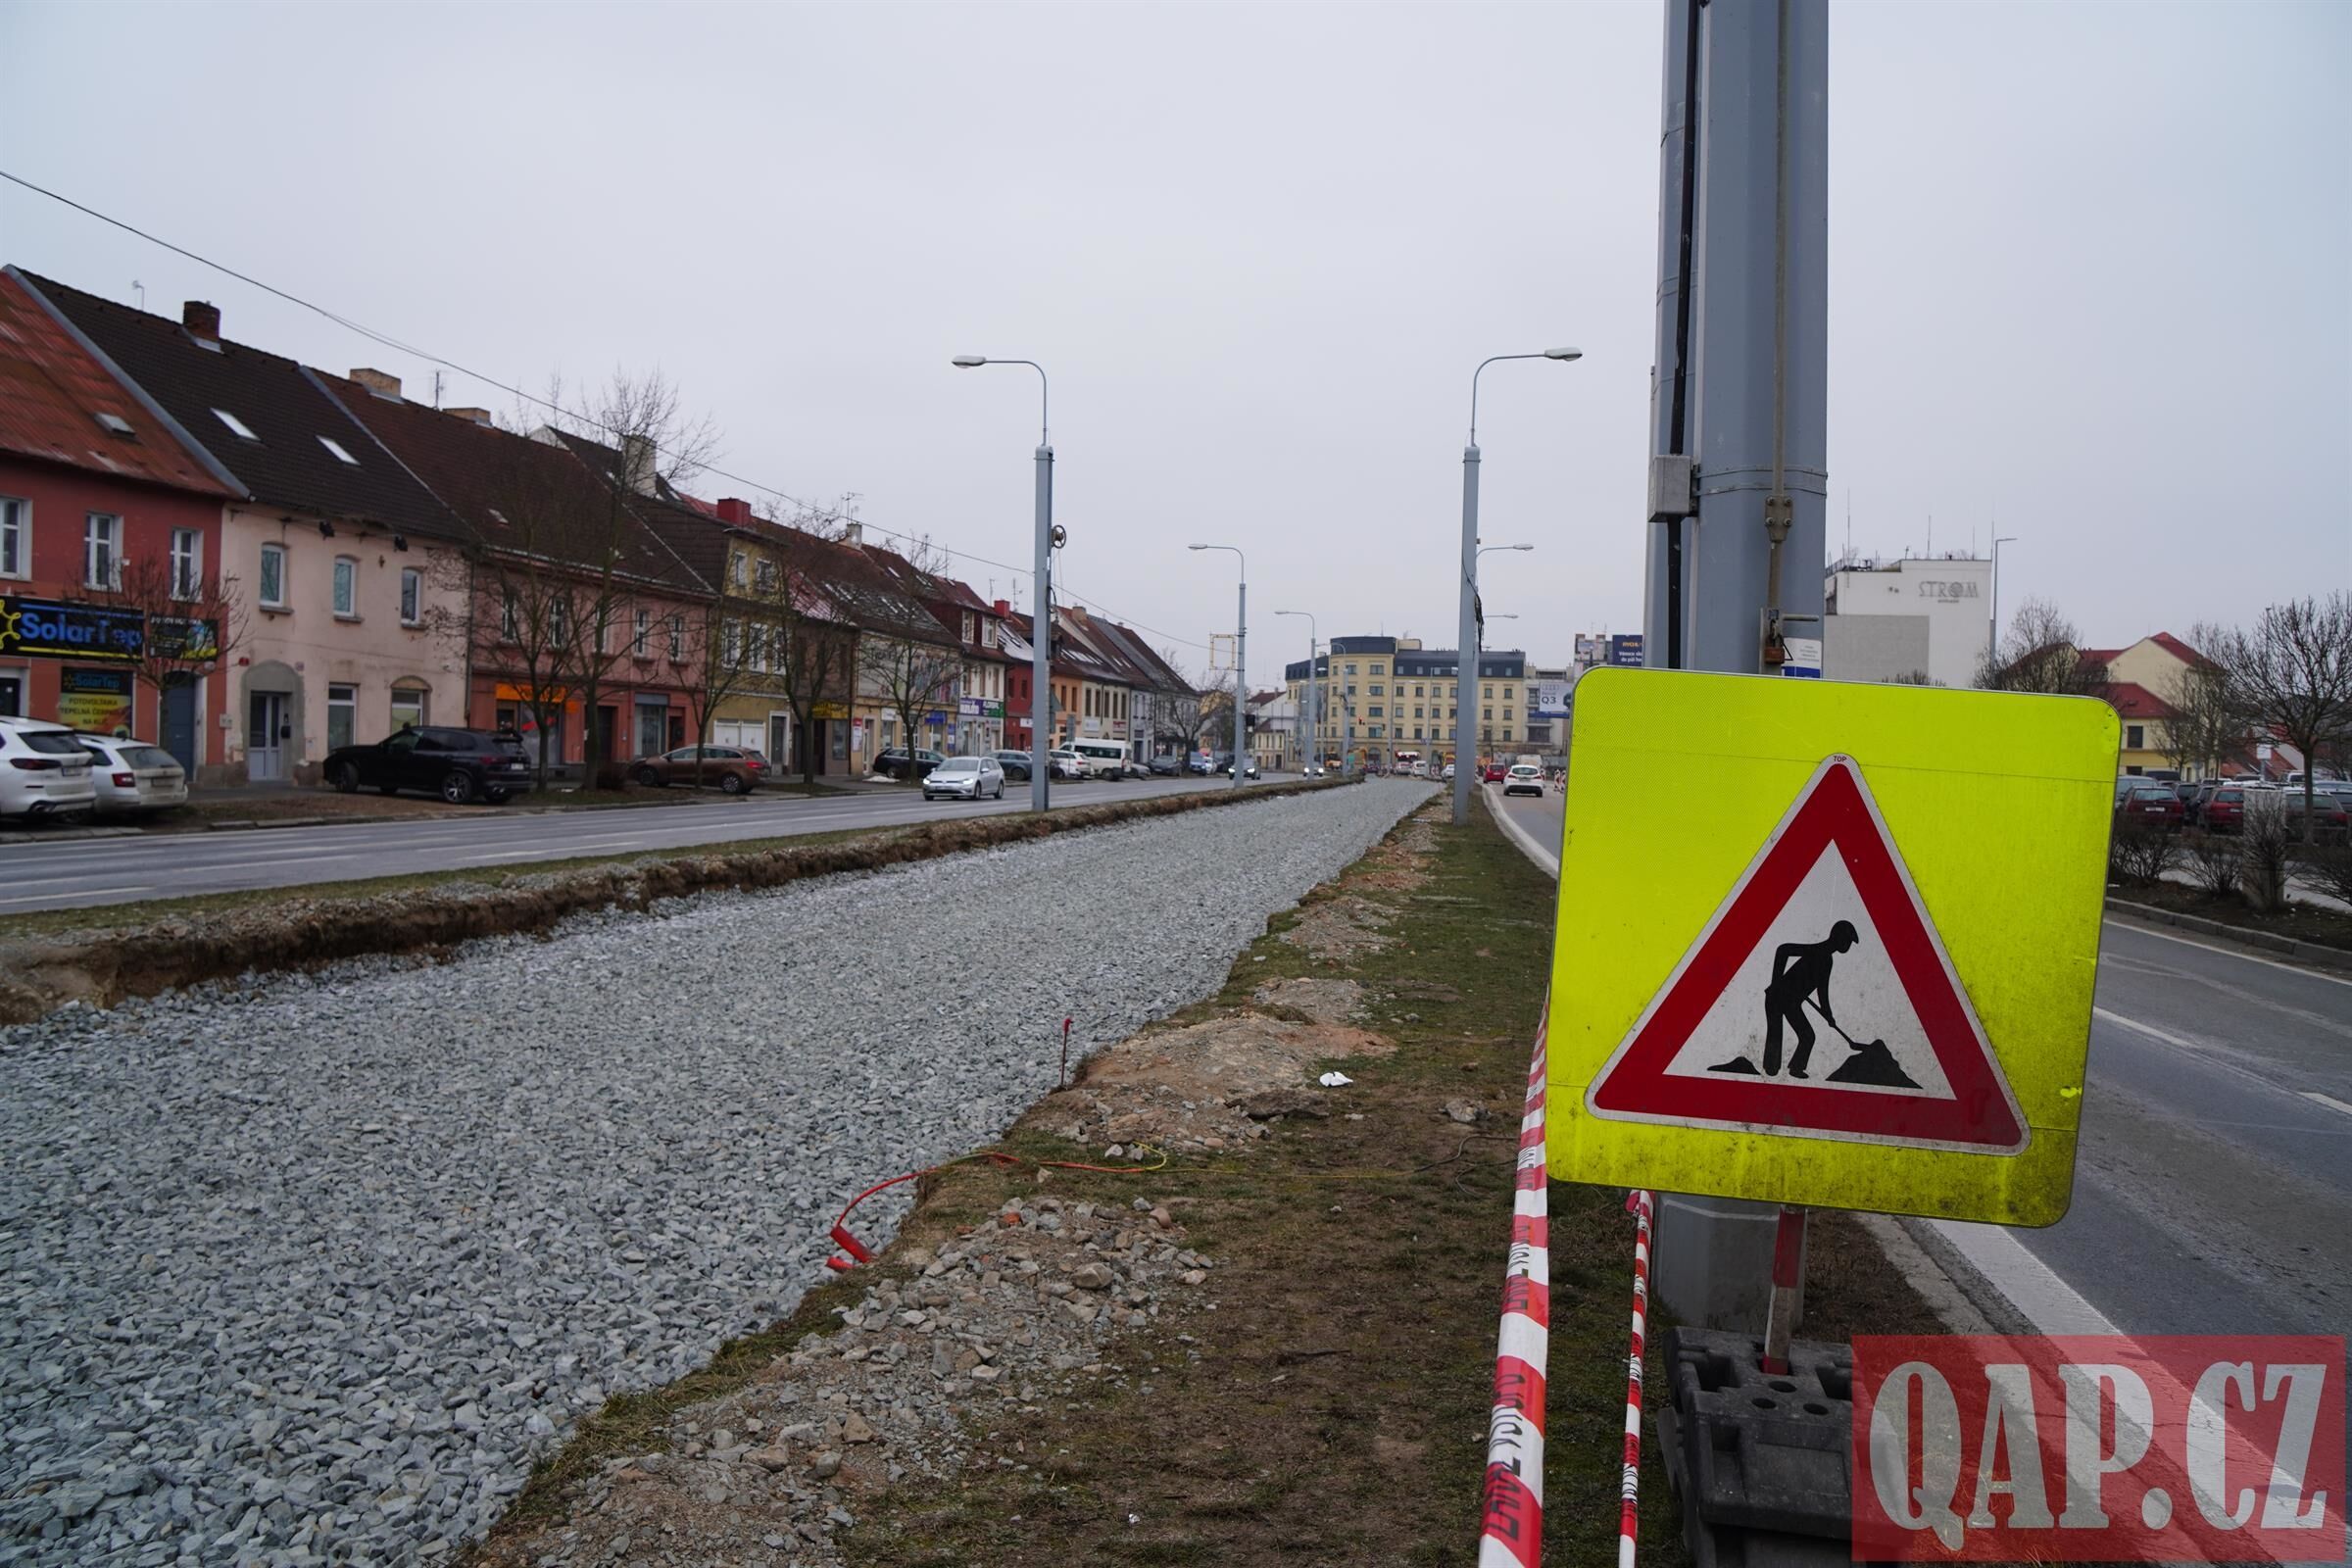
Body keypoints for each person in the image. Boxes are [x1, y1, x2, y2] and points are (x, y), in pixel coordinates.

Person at [1762, 919, 1857, 1078]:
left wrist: (1828, 1014)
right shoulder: (1818, 950)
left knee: (1807, 1036)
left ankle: (1796, 1068)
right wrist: (1776, 982)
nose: (1848, 945)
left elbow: (1822, 991)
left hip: (1792, 1002)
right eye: (1847, 941)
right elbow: (1783, 950)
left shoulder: (1827, 961)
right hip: (1777, 997)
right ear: (1838, 937)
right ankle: (1771, 1070)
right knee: (1775, 1032)